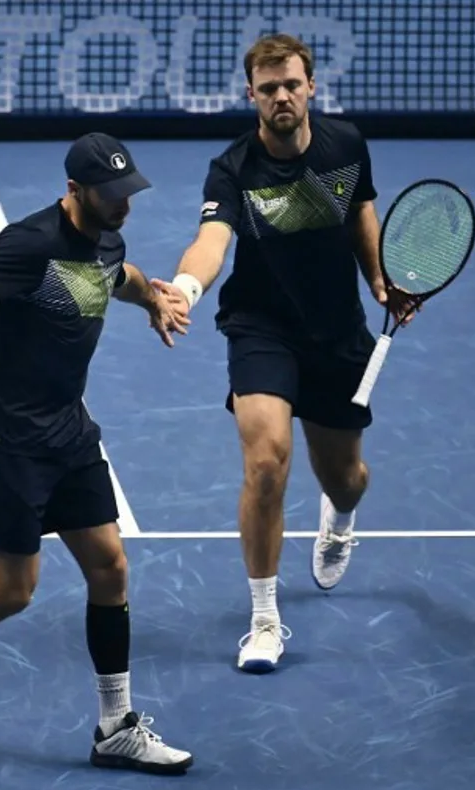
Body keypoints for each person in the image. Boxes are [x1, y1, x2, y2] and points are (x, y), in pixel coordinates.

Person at [0, 132, 194, 774]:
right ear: (76, 191)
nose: (124, 204)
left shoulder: (109, 234)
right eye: (111, 194)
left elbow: (117, 274)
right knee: (15, 590)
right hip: (8, 440)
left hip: (68, 432)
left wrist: (152, 299)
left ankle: (115, 728)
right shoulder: (30, 244)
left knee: (110, 567)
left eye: (129, 191)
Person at [152, 34, 418, 674]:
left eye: (291, 85)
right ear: (251, 96)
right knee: (267, 463)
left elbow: (361, 214)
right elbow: (210, 241)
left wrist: (381, 278)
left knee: (345, 477)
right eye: (268, 88)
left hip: (336, 332)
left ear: (310, 88)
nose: (281, 97)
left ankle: (342, 512)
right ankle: (265, 619)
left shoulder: (345, 145)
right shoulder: (234, 169)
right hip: (261, 325)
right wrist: (185, 288)